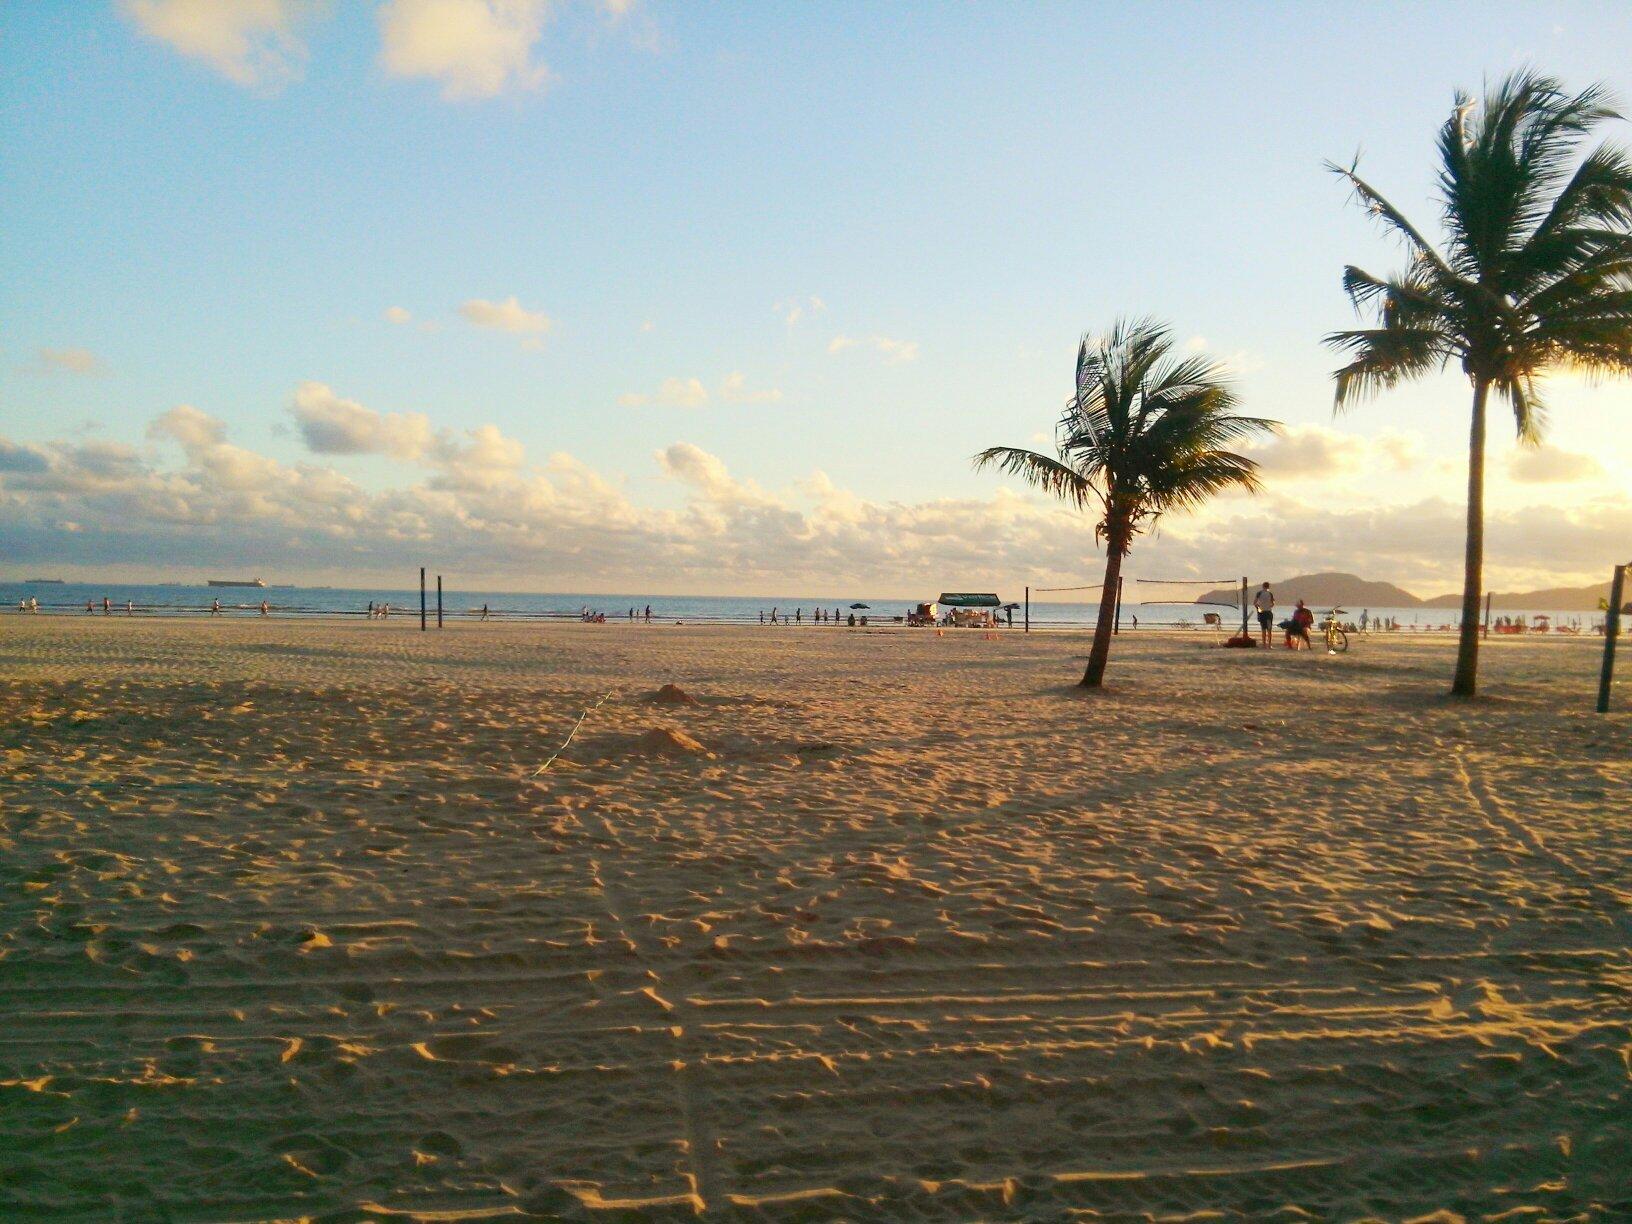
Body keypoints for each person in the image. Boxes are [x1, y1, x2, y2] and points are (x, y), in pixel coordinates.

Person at [1253, 581, 1275, 647]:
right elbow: (1273, 603)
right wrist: (1269, 606)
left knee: (1263, 629)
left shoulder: (1259, 593)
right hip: (1268, 612)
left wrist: (1258, 608)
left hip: (1262, 612)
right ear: (1268, 587)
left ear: (1263, 586)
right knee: (1269, 629)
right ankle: (1269, 645)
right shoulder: (1270, 593)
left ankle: (1264, 644)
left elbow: (1255, 603)